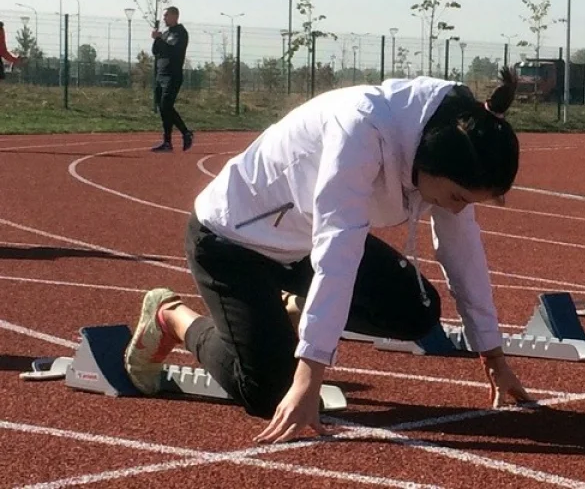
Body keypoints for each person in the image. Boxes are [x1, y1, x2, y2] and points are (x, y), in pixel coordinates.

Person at [122, 70, 534, 444]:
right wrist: (308, 376)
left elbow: (463, 250)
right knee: (270, 392)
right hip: (231, 244)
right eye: (457, 198)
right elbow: (338, 250)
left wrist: (492, 353)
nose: (458, 208)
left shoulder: (451, 136)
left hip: (303, 242)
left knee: (415, 311)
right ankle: (172, 317)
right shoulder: (360, 130)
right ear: (427, 159)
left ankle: (291, 311)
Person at [150, 6, 193, 153]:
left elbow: (173, 50)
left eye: (166, 15)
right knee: (163, 108)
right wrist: (157, 39)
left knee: (166, 105)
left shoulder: (181, 33)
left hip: (172, 75)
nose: (164, 18)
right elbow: (156, 51)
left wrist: (160, 40)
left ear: (175, 16)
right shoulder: (166, 33)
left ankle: (186, 132)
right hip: (161, 74)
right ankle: (167, 142)